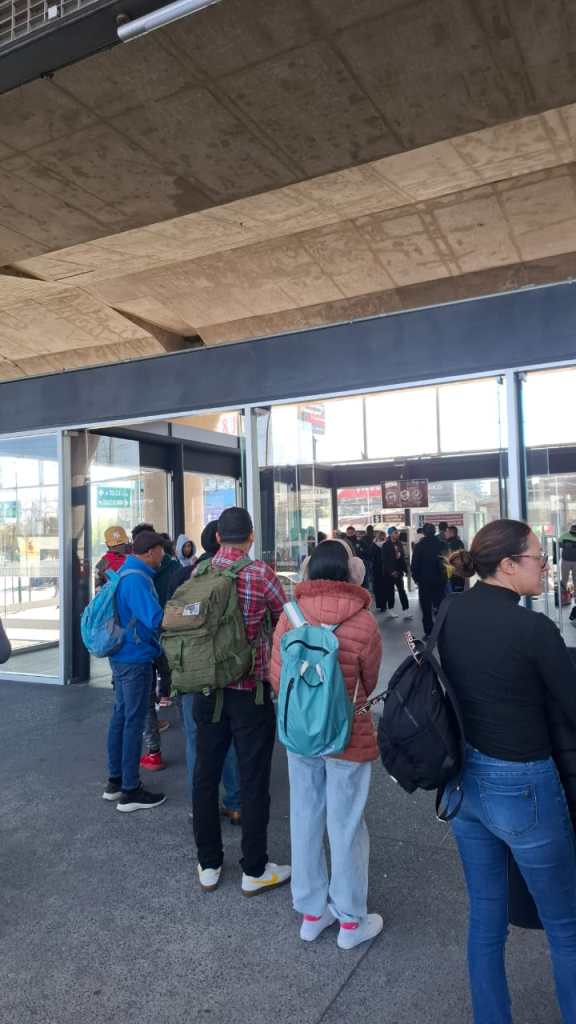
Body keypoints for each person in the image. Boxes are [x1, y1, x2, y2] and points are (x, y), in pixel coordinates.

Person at [439, 520, 576, 1024]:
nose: (546, 565)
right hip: (523, 786)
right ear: (508, 564)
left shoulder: (451, 612)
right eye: (538, 556)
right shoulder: (532, 629)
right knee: (566, 926)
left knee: (486, 921)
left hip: (463, 784)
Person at [270, 540, 383, 949]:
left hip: (301, 734)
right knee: (346, 823)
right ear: (352, 571)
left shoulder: (290, 615)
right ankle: (350, 921)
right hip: (348, 733)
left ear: (308, 571)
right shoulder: (364, 621)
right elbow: (369, 681)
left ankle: (312, 913)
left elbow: (277, 676)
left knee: (305, 816)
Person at [192, 507, 290, 896]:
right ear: (250, 536)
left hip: (207, 691)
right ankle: (254, 868)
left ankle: (209, 864)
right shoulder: (260, 573)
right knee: (253, 778)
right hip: (251, 692)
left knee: (205, 775)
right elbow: (287, 621)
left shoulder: (199, 572)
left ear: (217, 537)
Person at [175, 520, 241, 824]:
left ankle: (201, 805)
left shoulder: (185, 575)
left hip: (190, 670)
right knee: (228, 736)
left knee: (195, 739)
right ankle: (235, 802)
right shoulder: (235, 574)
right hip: (226, 668)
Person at [103, 530, 167, 812]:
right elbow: (155, 619)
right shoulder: (138, 579)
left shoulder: (124, 572)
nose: (163, 555)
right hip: (135, 658)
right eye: (161, 550)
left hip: (120, 655)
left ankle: (115, 782)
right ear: (151, 551)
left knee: (120, 717)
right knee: (133, 720)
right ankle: (130, 790)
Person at [410, 523, 447, 638]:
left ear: (424, 533)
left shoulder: (419, 546)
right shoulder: (442, 544)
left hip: (424, 581)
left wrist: (416, 579)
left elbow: (414, 565)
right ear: (435, 531)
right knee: (441, 606)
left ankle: (429, 632)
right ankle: (442, 630)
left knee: (426, 608)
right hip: (440, 581)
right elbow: (447, 562)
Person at [380, 527, 411, 618]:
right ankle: (391, 608)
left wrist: (406, 570)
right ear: (390, 534)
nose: (397, 534)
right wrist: (391, 571)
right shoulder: (386, 545)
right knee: (390, 591)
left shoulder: (399, 544)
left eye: (397, 532)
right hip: (389, 573)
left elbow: (402, 558)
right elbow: (384, 560)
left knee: (402, 591)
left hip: (399, 571)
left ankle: (406, 609)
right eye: (395, 533)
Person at [94, 526, 130, 591]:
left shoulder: (101, 564)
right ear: (126, 540)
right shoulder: (135, 560)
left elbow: (97, 589)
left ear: (107, 544)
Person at [358, 524, 380, 594]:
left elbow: (361, 550)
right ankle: (373, 590)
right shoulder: (375, 538)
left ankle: (368, 591)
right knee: (373, 576)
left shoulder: (363, 539)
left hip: (366, 559)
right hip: (374, 560)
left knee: (367, 576)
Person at [446, 524, 466, 593]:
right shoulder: (460, 542)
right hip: (460, 572)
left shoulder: (450, 544)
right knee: (459, 592)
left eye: (447, 532)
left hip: (453, 573)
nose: (446, 533)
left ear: (452, 533)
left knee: (453, 593)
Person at [559, 522, 576, 590]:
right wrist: (565, 545)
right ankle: (563, 592)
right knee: (564, 578)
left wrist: (571, 545)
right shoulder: (564, 535)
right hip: (566, 560)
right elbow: (559, 544)